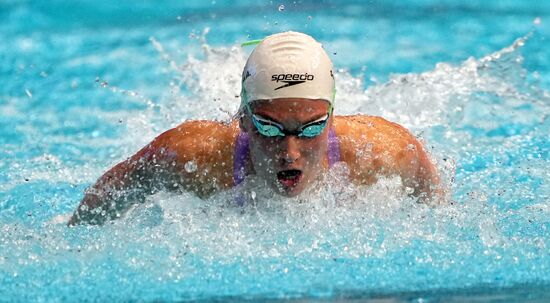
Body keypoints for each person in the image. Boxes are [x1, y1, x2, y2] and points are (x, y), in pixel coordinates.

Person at [68, 31, 441, 226]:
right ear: (243, 118)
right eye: (269, 127)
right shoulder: (192, 156)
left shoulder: (383, 152)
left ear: (331, 117)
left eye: (310, 130)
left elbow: (438, 211)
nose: (290, 152)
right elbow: (106, 197)